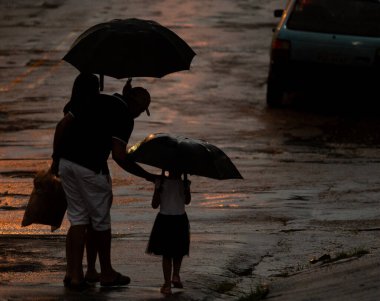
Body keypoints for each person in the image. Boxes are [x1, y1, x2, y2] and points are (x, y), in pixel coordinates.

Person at [51, 73, 157, 290]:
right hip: (91, 169)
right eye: (140, 111)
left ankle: (74, 274)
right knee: (100, 223)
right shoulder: (125, 115)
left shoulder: (93, 98)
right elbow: (119, 155)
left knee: (78, 219)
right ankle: (106, 273)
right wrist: (147, 175)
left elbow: (61, 125)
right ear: (137, 106)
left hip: (66, 163)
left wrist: (55, 159)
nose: (137, 115)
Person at [146, 169, 191, 295]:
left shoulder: (161, 182)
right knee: (178, 251)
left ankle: (167, 284)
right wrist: (186, 187)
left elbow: (154, 204)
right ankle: (176, 275)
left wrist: (157, 188)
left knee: (167, 254)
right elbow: (187, 201)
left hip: (164, 219)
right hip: (180, 219)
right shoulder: (185, 183)